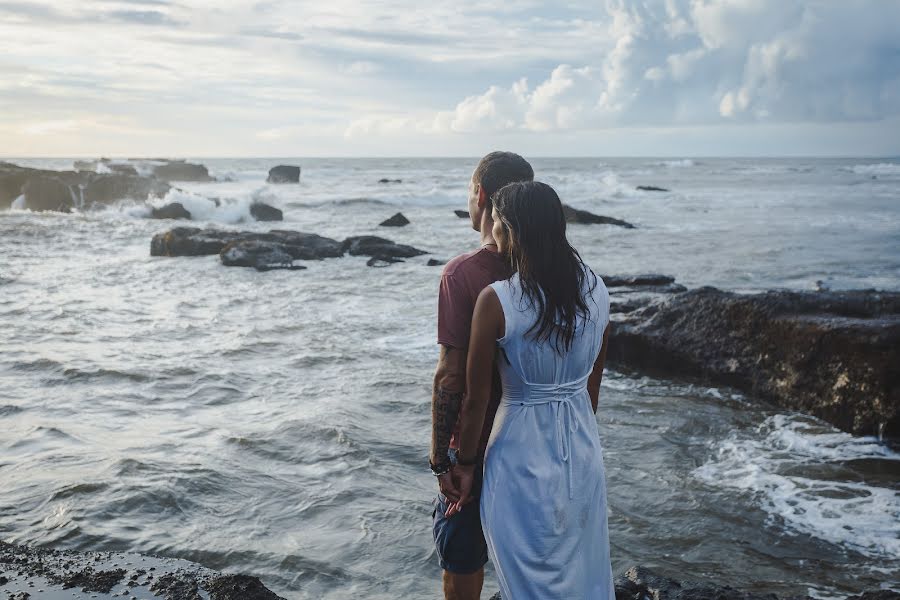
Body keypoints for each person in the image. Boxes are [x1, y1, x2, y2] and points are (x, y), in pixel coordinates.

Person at [451, 181, 614, 599]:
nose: (494, 231)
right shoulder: (596, 290)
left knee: (524, 578)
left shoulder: (499, 300)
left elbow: (476, 399)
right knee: (581, 570)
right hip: (581, 447)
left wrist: (465, 467)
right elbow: (591, 390)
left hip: (518, 455)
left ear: (511, 229)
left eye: (499, 223)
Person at [430, 152, 534, 600]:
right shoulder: (550, 271)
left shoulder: (464, 273)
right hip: (536, 442)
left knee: (464, 559)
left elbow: (452, 377)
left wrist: (441, 458)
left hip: (477, 445)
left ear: (481, 195)